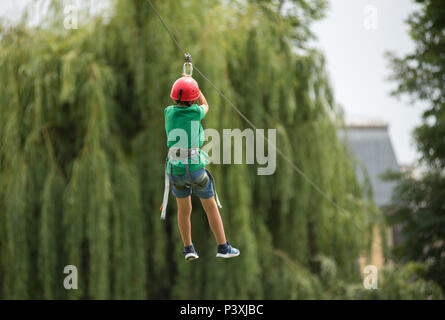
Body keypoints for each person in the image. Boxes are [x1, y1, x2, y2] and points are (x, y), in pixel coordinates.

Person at [163, 74, 240, 261]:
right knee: (210, 206)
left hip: (175, 169)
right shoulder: (196, 112)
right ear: (193, 98)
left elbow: (181, 100)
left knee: (184, 210)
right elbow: (206, 105)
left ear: (174, 98)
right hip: (195, 167)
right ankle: (223, 247)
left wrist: (186, 83)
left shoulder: (168, 112)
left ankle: (188, 248)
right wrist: (196, 87)